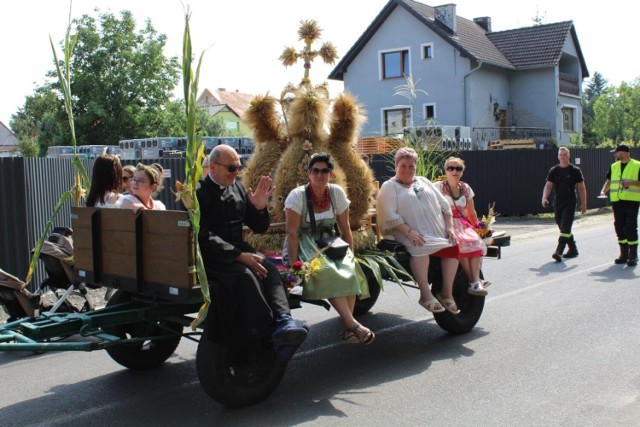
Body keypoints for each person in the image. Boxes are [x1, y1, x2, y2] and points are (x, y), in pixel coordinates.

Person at [197, 144, 308, 346]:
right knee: (248, 276)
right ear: (213, 167)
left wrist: (259, 207)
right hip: (214, 258)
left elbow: (259, 227)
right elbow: (203, 236)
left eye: (238, 167)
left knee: (270, 270)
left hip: (240, 248)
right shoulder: (198, 193)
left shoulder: (238, 186)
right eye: (231, 168)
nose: (236, 172)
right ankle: (264, 333)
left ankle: (284, 321)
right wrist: (239, 256)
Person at [284, 153, 374, 344]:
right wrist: (295, 266)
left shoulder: (336, 193)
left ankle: (347, 329)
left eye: (324, 170)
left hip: (331, 241)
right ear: (308, 173)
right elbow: (292, 233)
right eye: (315, 170)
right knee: (327, 271)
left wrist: (350, 254)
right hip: (305, 242)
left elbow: (345, 227)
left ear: (331, 174)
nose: (320, 174)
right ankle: (352, 324)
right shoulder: (297, 196)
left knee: (349, 271)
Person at [377, 147, 460, 314]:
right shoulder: (390, 186)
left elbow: (445, 205)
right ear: (396, 166)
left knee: (453, 246)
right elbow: (388, 214)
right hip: (404, 232)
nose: (407, 169)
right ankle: (425, 294)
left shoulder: (423, 181)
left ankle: (446, 293)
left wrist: (450, 227)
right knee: (420, 245)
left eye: (411, 166)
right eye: (403, 165)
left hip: (435, 232)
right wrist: (409, 232)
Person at [436, 157, 489, 296]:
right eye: (451, 168)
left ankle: (475, 280)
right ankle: (474, 280)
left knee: (475, 241)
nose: (454, 171)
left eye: (458, 168)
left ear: (462, 172)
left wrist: (478, 228)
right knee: (461, 243)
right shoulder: (438, 187)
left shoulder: (465, 188)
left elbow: (471, 211)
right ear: (445, 171)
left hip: (462, 223)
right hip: (446, 223)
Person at [541, 147, 587, 261]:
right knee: (562, 227)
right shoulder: (554, 170)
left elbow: (581, 188)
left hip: (570, 202)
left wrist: (584, 204)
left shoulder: (575, 170)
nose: (563, 157)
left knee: (565, 226)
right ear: (558, 156)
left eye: (565, 155)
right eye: (561, 155)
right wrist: (544, 198)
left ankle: (559, 251)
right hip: (558, 202)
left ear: (569, 155)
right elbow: (548, 186)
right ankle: (573, 249)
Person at [599, 144, 640, 266]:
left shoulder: (637, 165)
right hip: (617, 201)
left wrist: (631, 182)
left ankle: (633, 255)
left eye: (617, 152)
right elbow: (609, 181)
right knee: (619, 227)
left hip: (632, 201)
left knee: (630, 227)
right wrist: (603, 191)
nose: (615, 154)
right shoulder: (614, 166)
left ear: (625, 152)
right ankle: (624, 254)